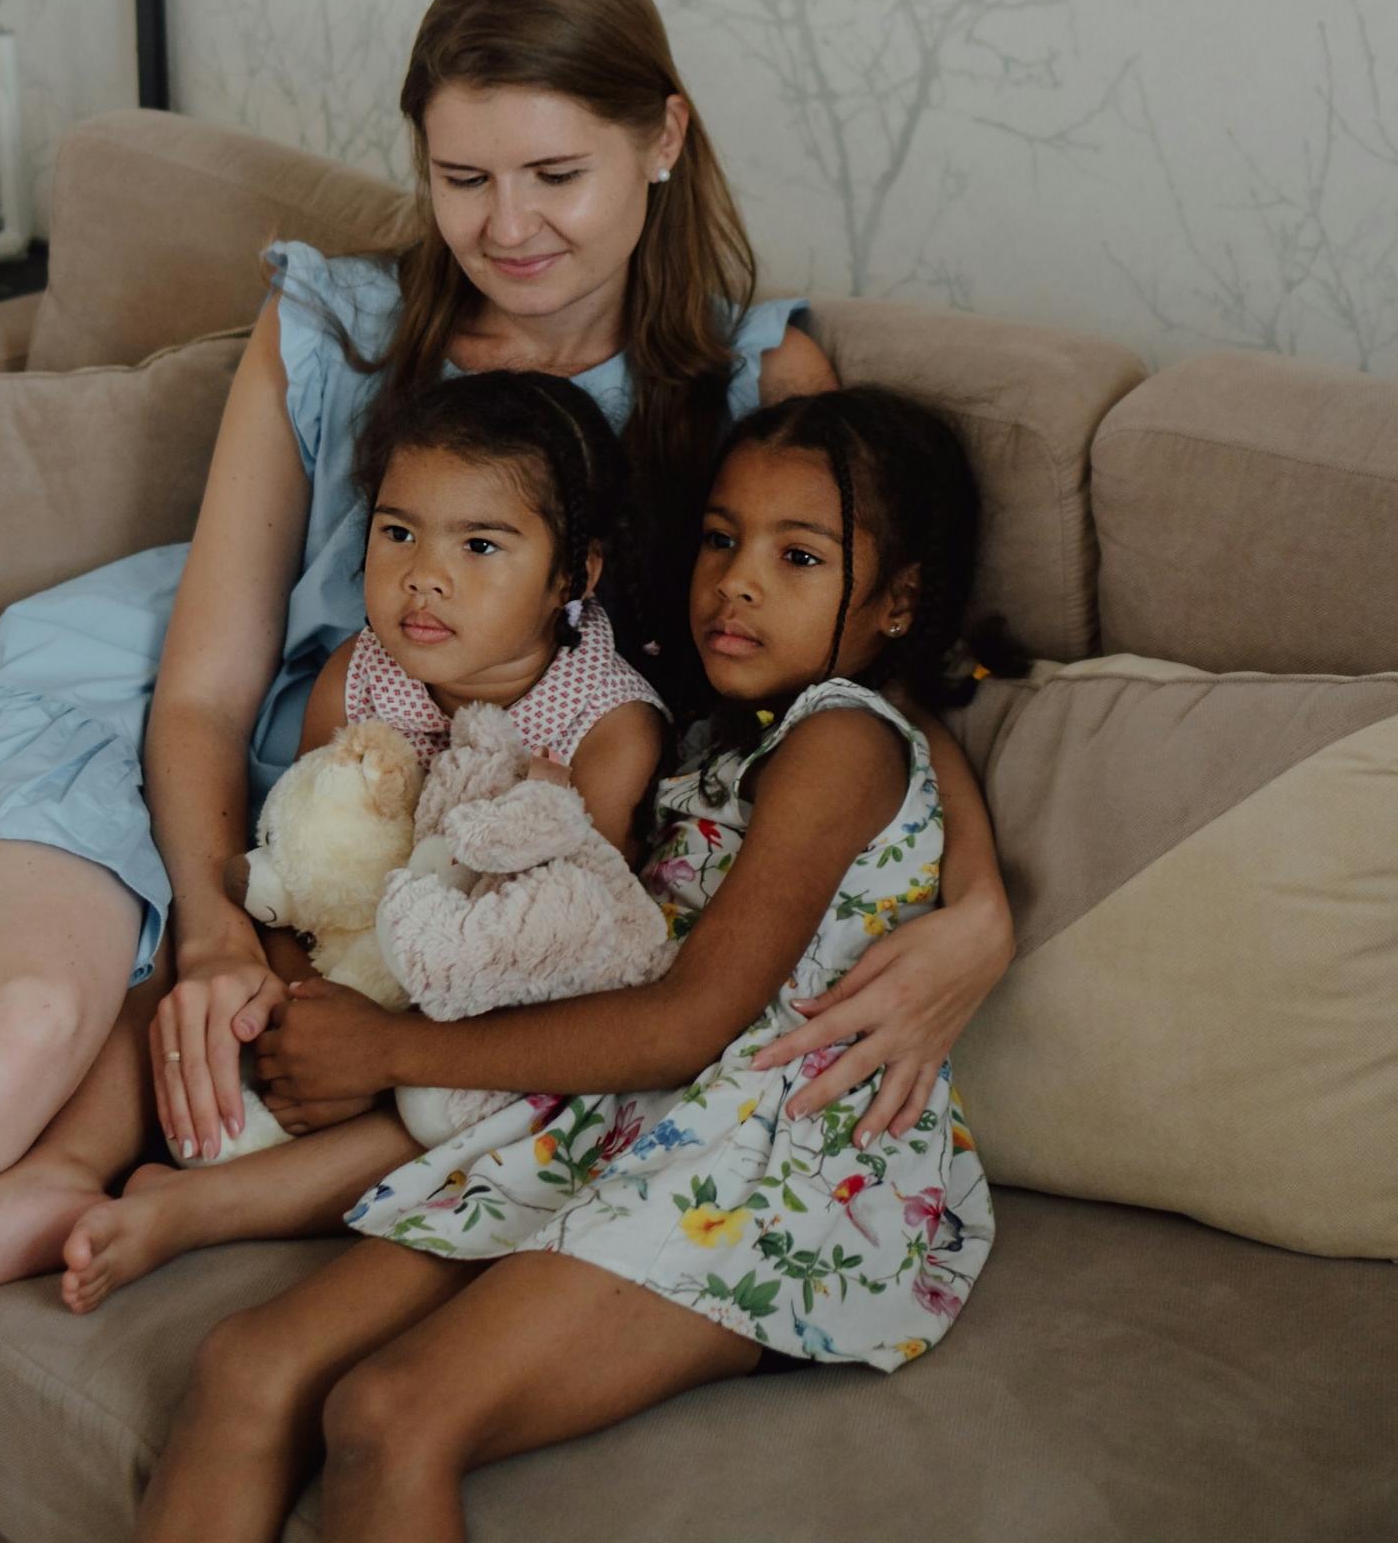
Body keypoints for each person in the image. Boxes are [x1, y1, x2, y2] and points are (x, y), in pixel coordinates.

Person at [0, 0, 1010, 1543]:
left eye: (554, 174)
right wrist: (211, 925)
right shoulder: (334, 319)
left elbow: (857, 677)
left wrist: (980, 912)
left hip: (368, 813)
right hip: (141, 715)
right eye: (461, 175)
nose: (507, 227)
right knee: (19, 1024)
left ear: (663, 139)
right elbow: (201, 681)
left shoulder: (747, 373)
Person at [136, 386, 999, 1543]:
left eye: (799, 556)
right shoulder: (698, 719)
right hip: (606, 1116)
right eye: (719, 540)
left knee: (390, 1415)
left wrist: (394, 1046)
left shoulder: (843, 738)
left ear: (899, 597)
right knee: (248, 1365)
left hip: (769, 1159)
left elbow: (691, 1023)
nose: (737, 580)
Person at [61, 365, 668, 1310]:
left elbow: (568, 938)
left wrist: (376, 1047)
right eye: (397, 533)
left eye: (479, 544)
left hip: (469, 1023)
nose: (422, 575)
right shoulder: (361, 671)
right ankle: (60, 1169)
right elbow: (291, 862)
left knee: (439, 1122)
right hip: (332, 972)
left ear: (573, 574)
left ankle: (187, 1210)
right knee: (173, 988)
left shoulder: (607, 729)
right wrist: (287, 996)